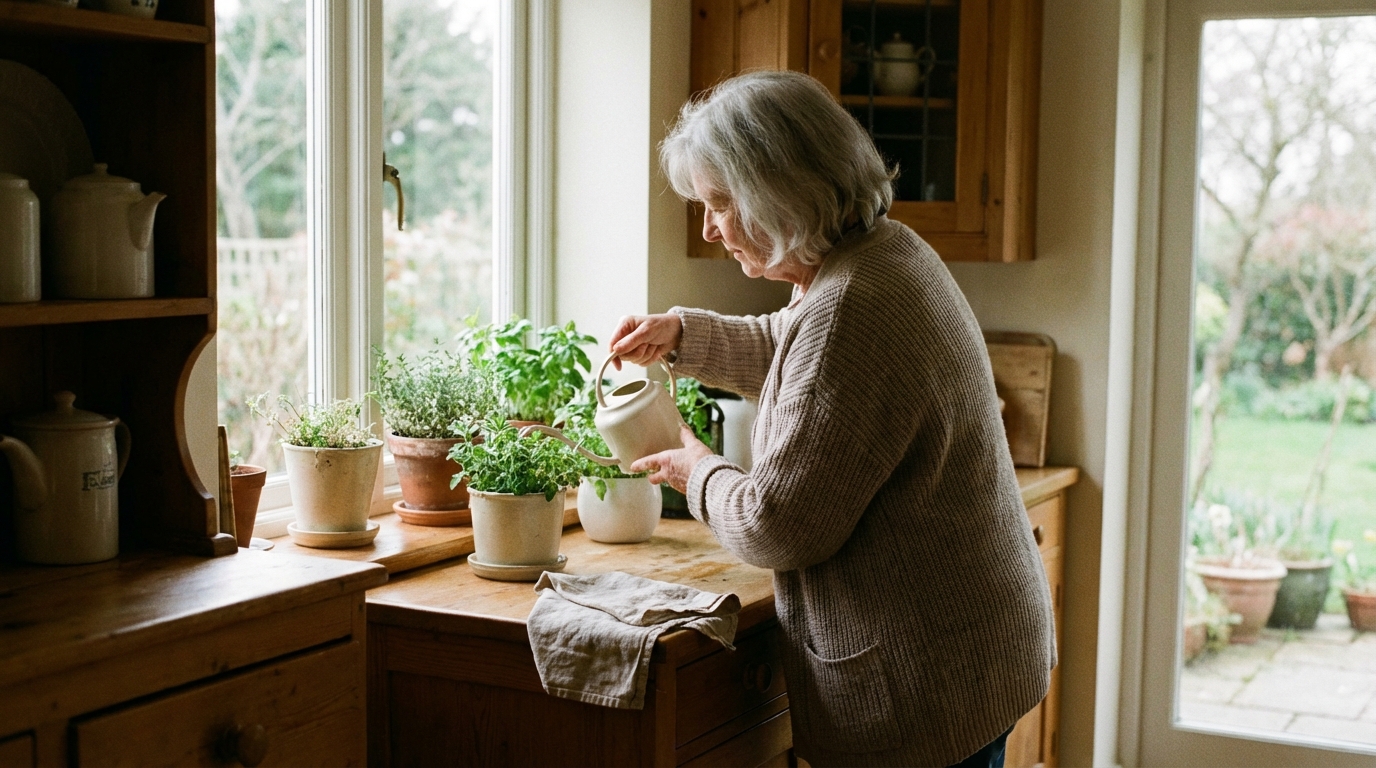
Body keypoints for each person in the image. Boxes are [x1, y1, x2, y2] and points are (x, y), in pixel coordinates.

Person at [609, 70, 1054, 768]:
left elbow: (774, 524)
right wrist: (682, 334)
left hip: (928, 681)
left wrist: (695, 468)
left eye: (719, 202)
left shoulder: (851, 303)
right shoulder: (882, 253)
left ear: (778, 192)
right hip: (969, 650)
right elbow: (800, 354)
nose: (708, 227)